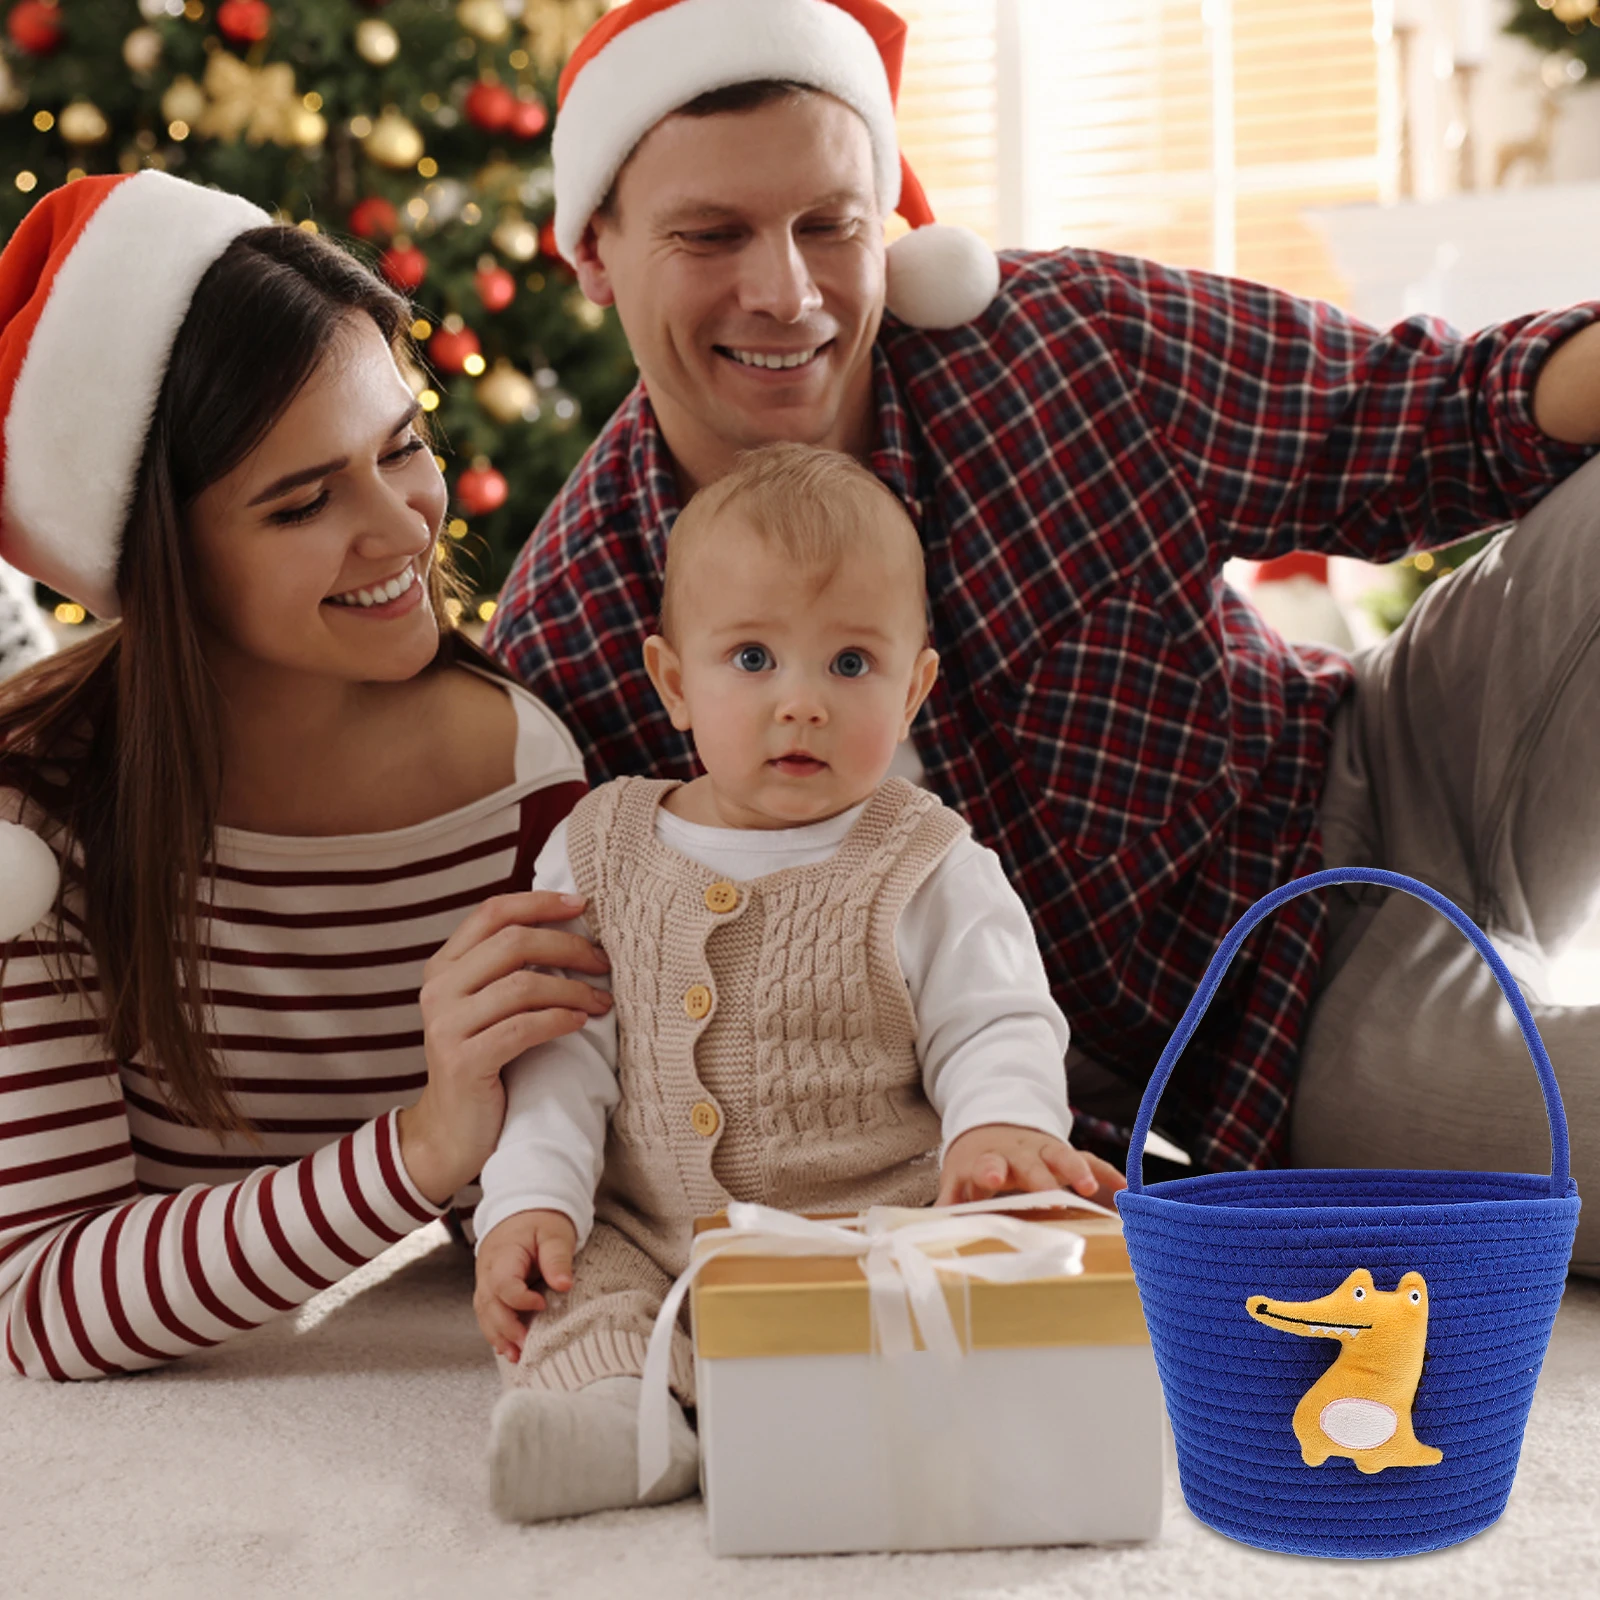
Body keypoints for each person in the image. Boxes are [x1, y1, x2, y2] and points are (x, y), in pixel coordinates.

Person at [484, 0, 1600, 1270]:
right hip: (1293, 1034)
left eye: (828, 226)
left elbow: (1420, 416)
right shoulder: (573, 632)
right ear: (592, 252)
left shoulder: (1057, 339)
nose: (785, 291)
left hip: (1392, 752)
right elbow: (603, 1039)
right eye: (710, 233)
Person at [0, 171, 610, 1381]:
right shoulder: (32, 828)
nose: (400, 531)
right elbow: (41, 1300)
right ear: (161, 555)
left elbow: (547, 1162)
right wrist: (420, 1146)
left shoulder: (518, 768)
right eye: (300, 503)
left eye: (404, 449)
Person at [470, 443, 1124, 1522]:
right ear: (674, 681)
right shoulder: (598, 848)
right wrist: (529, 1201)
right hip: (651, 1229)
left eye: (851, 665)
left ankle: (842, 1413)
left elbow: (996, 1020)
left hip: (867, 1226)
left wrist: (995, 1128)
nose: (803, 704)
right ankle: (614, 1426)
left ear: (915, 686)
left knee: (944, 1300)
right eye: (753, 659)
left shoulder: (930, 862)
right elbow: (559, 1056)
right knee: (576, 1296)